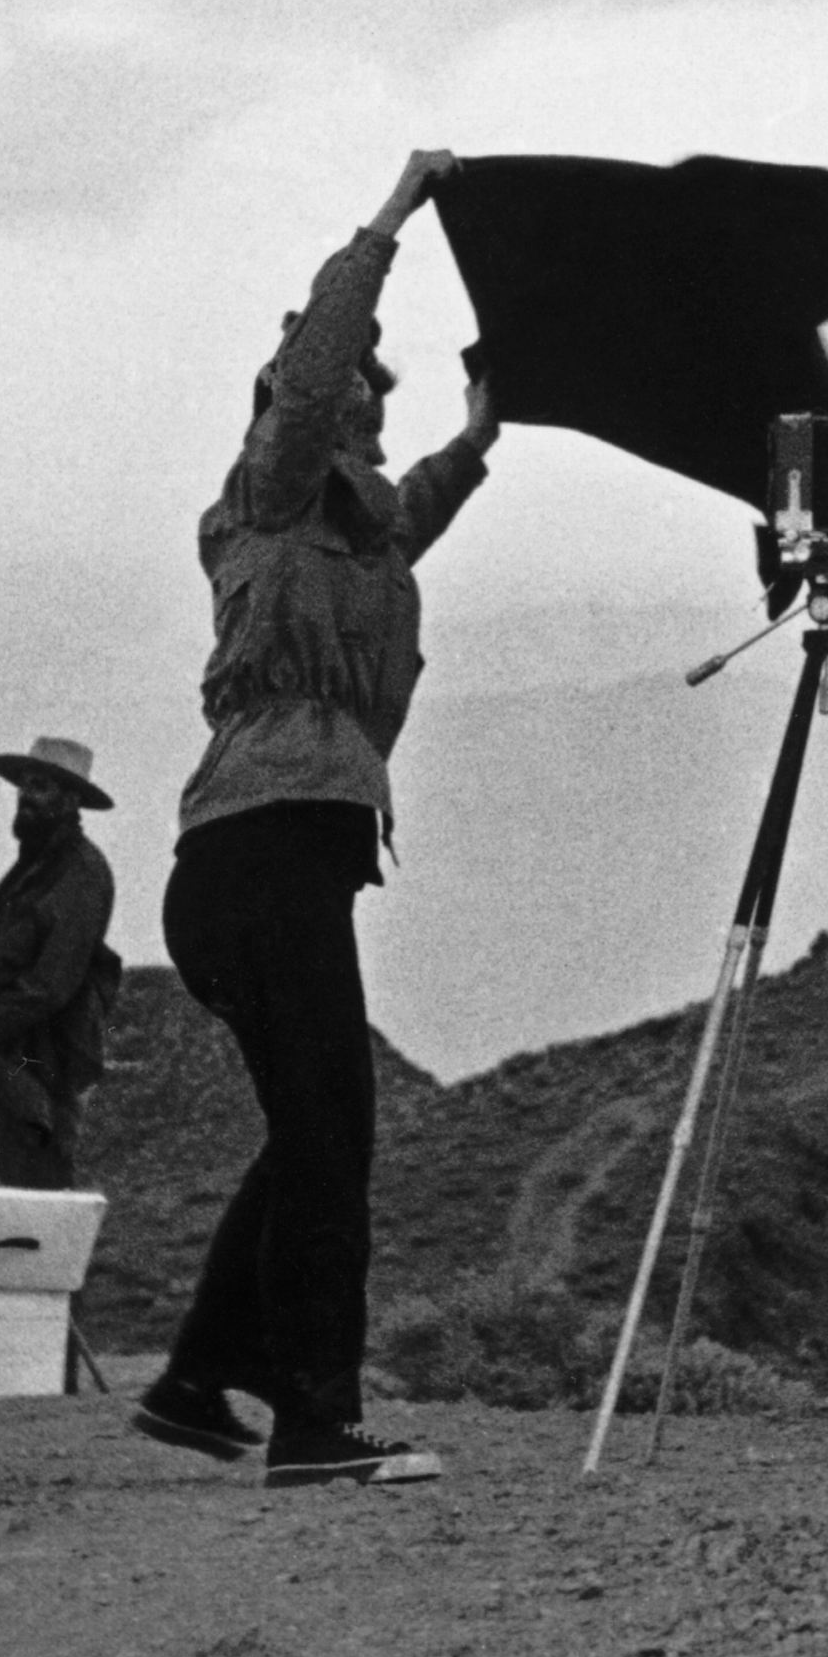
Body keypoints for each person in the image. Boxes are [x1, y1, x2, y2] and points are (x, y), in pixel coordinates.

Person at [134, 149, 497, 1490]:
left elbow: (421, 510)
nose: (381, 426)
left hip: (290, 854)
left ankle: (190, 1382)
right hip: (256, 847)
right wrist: (392, 222)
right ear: (318, 412)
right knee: (334, 1130)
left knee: (314, 1128)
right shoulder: (270, 493)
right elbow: (313, 358)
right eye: (370, 407)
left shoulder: (359, 530)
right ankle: (313, 1418)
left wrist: (482, 430)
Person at [0, 734, 121, 1192]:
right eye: (24, 784)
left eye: (41, 787)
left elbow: (53, 983)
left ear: (72, 799)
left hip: (48, 1059)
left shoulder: (81, 872)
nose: (26, 796)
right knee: (18, 1177)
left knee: (36, 1181)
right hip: (18, 1051)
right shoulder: (35, 865)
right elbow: (16, 953)